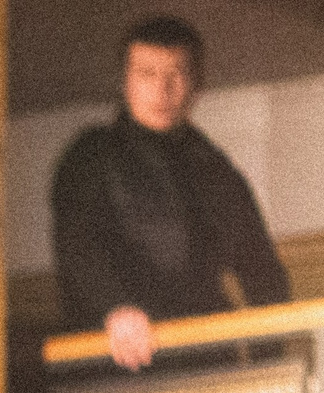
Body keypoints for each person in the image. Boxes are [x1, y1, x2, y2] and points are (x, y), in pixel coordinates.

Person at [50, 15, 290, 368]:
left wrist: (266, 364)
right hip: (112, 365)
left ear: (196, 84)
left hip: (204, 362)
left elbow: (262, 271)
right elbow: (78, 247)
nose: (162, 90)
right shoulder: (90, 156)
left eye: (175, 74)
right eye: (147, 74)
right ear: (125, 81)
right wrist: (115, 309)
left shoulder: (215, 169)